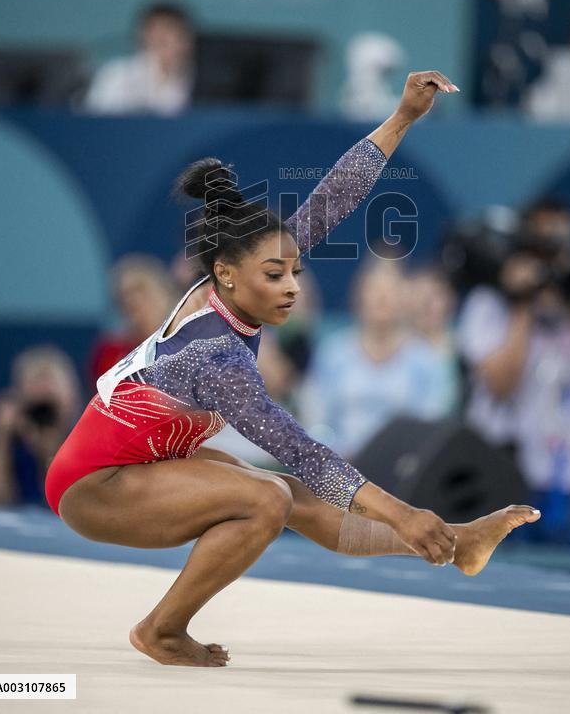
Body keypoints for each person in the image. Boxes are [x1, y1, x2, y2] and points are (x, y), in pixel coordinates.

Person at [45, 70, 540, 669]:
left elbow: (335, 196)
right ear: (227, 272)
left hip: (143, 459)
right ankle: (161, 630)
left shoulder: (236, 276)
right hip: (94, 487)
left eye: (295, 273)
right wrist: (403, 511)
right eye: (276, 277)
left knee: (295, 499)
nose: (291, 290)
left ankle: (457, 544)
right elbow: (304, 450)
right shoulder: (217, 357)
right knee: (269, 498)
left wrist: (403, 116)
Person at [458, 197, 570, 549]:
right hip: (503, 482)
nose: (559, 258)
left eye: (567, 245)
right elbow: (500, 385)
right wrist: (523, 302)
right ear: (526, 249)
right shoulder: (489, 303)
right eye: (548, 247)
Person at [301, 260, 457, 458]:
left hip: (403, 468)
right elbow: (314, 419)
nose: (382, 298)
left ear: (404, 300)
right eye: (374, 290)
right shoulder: (333, 353)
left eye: (390, 291)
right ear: (359, 298)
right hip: (343, 466)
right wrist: (336, 452)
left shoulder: (426, 360)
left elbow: (432, 423)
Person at [0, 346, 81, 507]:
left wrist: (49, 453)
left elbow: (72, 506)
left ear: (73, 400)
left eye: (51, 383)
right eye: (35, 383)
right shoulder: (16, 447)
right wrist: (0, 434)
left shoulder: (84, 444)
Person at [84, 2, 195, 115]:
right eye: (153, 33)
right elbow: (97, 119)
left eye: (169, 32)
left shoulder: (197, 80)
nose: (159, 37)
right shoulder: (117, 74)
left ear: (187, 40)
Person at [88, 255, 178, 393]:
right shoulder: (111, 353)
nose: (133, 301)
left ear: (165, 295)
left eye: (142, 291)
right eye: (124, 297)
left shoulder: (194, 340)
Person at [402, 265, 463, 413]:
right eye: (419, 294)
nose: (426, 303)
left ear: (450, 301)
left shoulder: (466, 350)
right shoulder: (394, 351)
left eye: (435, 295)